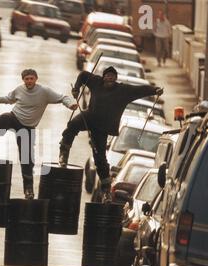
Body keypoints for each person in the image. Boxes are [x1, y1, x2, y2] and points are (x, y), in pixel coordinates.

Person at [58, 66, 163, 202]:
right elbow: (83, 75)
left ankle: (106, 190)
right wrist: (76, 88)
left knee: (100, 159)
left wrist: (155, 90)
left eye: (113, 76)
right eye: (107, 76)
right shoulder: (96, 82)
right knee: (72, 126)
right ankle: (63, 153)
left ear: (116, 79)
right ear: (103, 77)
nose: (110, 78)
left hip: (102, 128)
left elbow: (140, 90)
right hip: (89, 118)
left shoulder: (123, 90)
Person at [0, 68, 75, 200]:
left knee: (27, 160)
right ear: (23, 80)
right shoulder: (19, 89)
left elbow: (63, 97)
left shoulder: (44, 91)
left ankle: (28, 190)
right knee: (1, 119)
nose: (29, 81)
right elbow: (9, 99)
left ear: (36, 79)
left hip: (27, 128)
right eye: (26, 79)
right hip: (14, 117)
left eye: (31, 78)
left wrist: (71, 104)